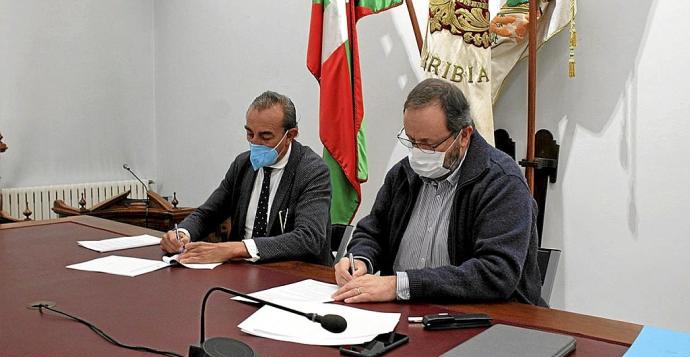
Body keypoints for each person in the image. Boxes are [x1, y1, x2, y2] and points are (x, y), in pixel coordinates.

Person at [332, 78, 544, 305]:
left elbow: (495, 273)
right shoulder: (404, 173)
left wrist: (402, 285)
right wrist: (360, 260)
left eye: (429, 145)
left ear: (464, 136)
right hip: (403, 312)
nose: (419, 153)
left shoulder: (501, 182)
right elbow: (373, 231)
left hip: (478, 318)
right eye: (412, 141)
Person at [160, 91, 332, 265]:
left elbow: (309, 238)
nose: (255, 143)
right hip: (242, 273)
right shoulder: (243, 164)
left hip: (293, 275)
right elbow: (208, 213)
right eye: (250, 134)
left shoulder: (312, 171)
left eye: (265, 136)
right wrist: (182, 233)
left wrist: (236, 249)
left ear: (290, 135)